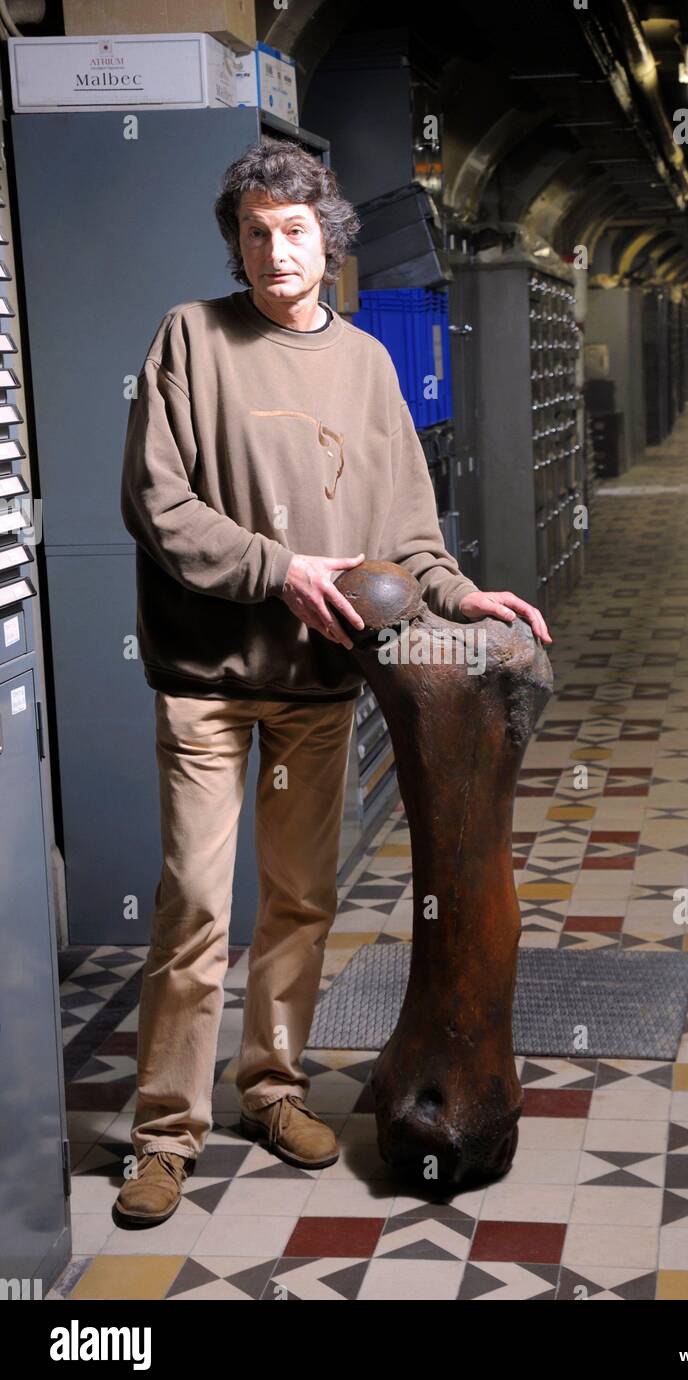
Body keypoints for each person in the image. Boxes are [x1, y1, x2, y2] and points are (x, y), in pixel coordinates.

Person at [114, 140, 551, 1227]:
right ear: (238, 244)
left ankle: (271, 1089)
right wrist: (281, 569)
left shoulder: (365, 366)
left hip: (317, 686)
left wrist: (463, 595)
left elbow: (408, 535)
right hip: (207, 682)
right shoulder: (190, 338)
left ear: (330, 242)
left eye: (294, 230)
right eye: (254, 232)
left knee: (303, 902)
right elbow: (157, 507)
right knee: (198, 910)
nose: (273, 249)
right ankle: (165, 1134)